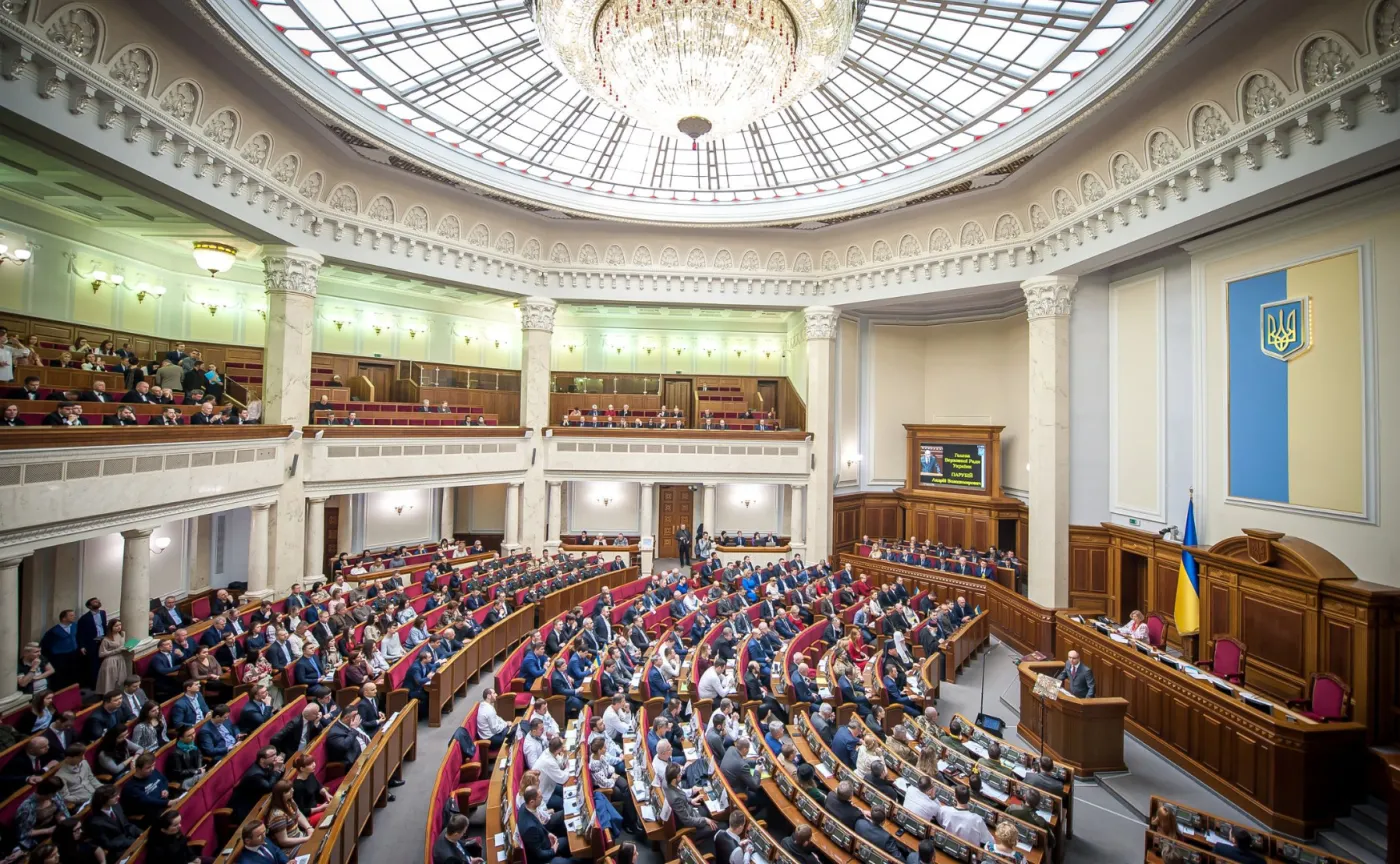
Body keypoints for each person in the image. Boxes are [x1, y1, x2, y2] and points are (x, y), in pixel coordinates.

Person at [229, 747, 283, 823]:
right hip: (245, 808)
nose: (276, 757)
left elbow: (277, 777)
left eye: (275, 754)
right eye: (272, 755)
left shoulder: (268, 764)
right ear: (262, 760)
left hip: (256, 797)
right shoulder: (255, 774)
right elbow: (268, 787)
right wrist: (276, 769)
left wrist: (279, 767)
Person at [83, 784, 141, 854]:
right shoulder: (95, 822)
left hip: (131, 839)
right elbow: (108, 843)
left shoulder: (116, 806)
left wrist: (140, 833)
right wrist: (132, 842)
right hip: (119, 850)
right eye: (113, 796)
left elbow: (126, 825)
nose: (118, 797)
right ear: (104, 800)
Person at [266, 780, 312, 851]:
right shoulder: (277, 815)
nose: (292, 790)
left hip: (301, 836)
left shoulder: (289, 801)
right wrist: (306, 839)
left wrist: (308, 828)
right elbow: (284, 841)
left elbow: (299, 815)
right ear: (282, 795)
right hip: (291, 848)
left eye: (291, 788)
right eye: (288, 790)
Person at [53, 744, 99, 811]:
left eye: (83, 755)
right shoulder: (60, 776)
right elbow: (65, 797)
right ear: (69, 758)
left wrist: (101, 789)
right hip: (82, 803)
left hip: (96, 795)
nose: (83, 758)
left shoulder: (84, 762)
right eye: (79, 756)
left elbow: (91, 778)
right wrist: (83, 799)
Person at [290, 753, 332, 825]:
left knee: (334, 808)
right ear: (302, 768)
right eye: (310, 764)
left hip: (315, 807)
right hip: (307, 816)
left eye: (313, 762)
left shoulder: (310, 774)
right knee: (330, 815)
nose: (314, 765)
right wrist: (320, 808)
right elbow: (302, 811)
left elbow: (318, 786)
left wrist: (326, 794)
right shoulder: (298, 786)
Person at [93, 619, 130, 695]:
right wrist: (116, 650)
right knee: (110, 682)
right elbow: (101, 654)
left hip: (120, 659)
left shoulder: (121, 635)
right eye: (116, 626)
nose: (119, 627)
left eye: (120, 625)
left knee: (121, 679)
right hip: (111, 661)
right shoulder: (106, 639)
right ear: (111, 627)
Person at [166, 725, 205, 790]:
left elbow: (199, 755)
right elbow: (179, 773)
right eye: (189, 735)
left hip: (197, 773)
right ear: (181, 738)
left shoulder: (191, 744)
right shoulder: (176, 754)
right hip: (184, 780)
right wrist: (197, 771)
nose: (193, 736)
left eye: (194, 733)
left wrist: (199, 767)